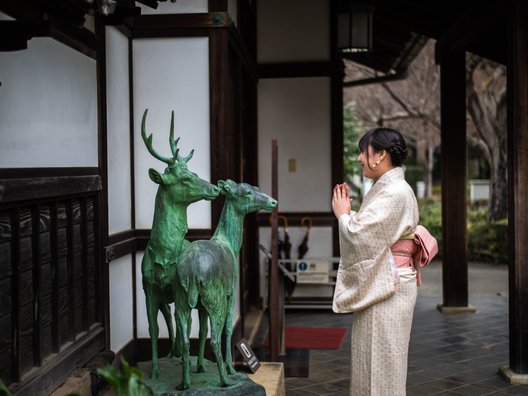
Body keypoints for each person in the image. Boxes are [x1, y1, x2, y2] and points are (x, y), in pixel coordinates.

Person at [331, 127, 420, 396]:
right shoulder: (391, 189)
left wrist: (344, 215)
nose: (360, 158)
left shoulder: (395, 192)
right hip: (383, 284)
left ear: (380, 154)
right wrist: (351, 216)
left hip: (388, 288)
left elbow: (361, 236)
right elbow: (373, 232)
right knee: (373, 362)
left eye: (363, 151)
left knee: (383, 369)